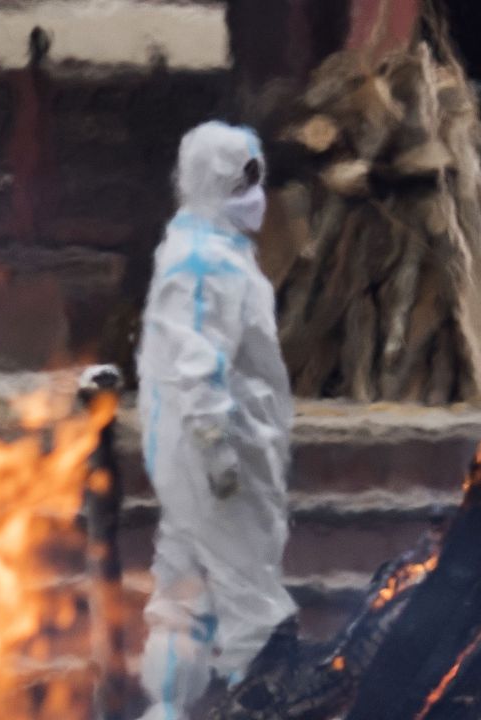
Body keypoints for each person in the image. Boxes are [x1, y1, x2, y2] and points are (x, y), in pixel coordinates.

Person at [136, 121, 297, 718]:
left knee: (182, 587)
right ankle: (264, 705)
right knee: (253, 599)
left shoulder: (200, 250)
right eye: (241, 182)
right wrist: (215, 446)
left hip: (195, 453)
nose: (255, 197)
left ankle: (168, 707)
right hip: (219, 455)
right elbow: (196, 363)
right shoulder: (206, 264)